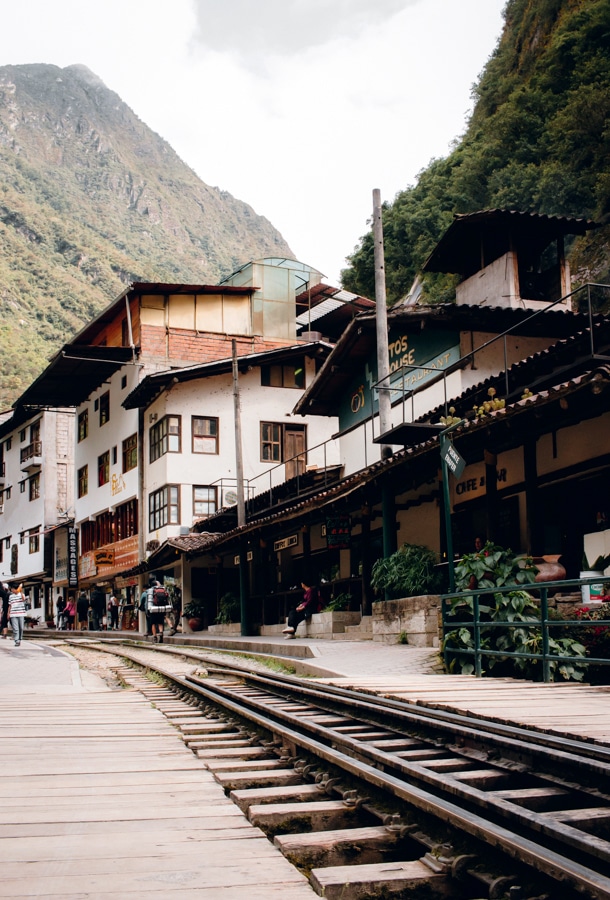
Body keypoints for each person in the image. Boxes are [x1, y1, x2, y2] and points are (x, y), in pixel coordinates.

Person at [146, 575, 170, 643]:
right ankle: (161, 634)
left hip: (153, 609)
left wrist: (147, 610)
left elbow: (148, 601)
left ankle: (155, 637)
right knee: (160, 623)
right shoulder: (163, 589)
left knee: (153, 624)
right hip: (161, 609)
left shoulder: (150, 590)